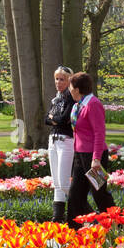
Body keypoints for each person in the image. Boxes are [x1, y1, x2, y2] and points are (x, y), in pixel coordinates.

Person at [66, 71, 115, 226]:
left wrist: (96, 159)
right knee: (75, 194)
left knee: (99, 193)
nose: (69, 90)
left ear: (78, 89)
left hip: (94, 156)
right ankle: (74, 228)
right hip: (80, 155)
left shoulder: (93, 104)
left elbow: (99, 133)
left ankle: (116, 224)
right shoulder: (78, 105)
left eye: (71, 87)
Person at [44, 65, 77, 224]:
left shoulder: (71, 98)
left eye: (62, 79)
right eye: (56, 79)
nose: (58, 82)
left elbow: (64, 119)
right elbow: (46, 119)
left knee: (64, 181)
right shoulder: (56, 98)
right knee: (56, 182)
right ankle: (57, 218)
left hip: (66, 141)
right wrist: (54, 118)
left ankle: (80, 212)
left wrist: (53, 117)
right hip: (53, 140)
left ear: (69, 80)